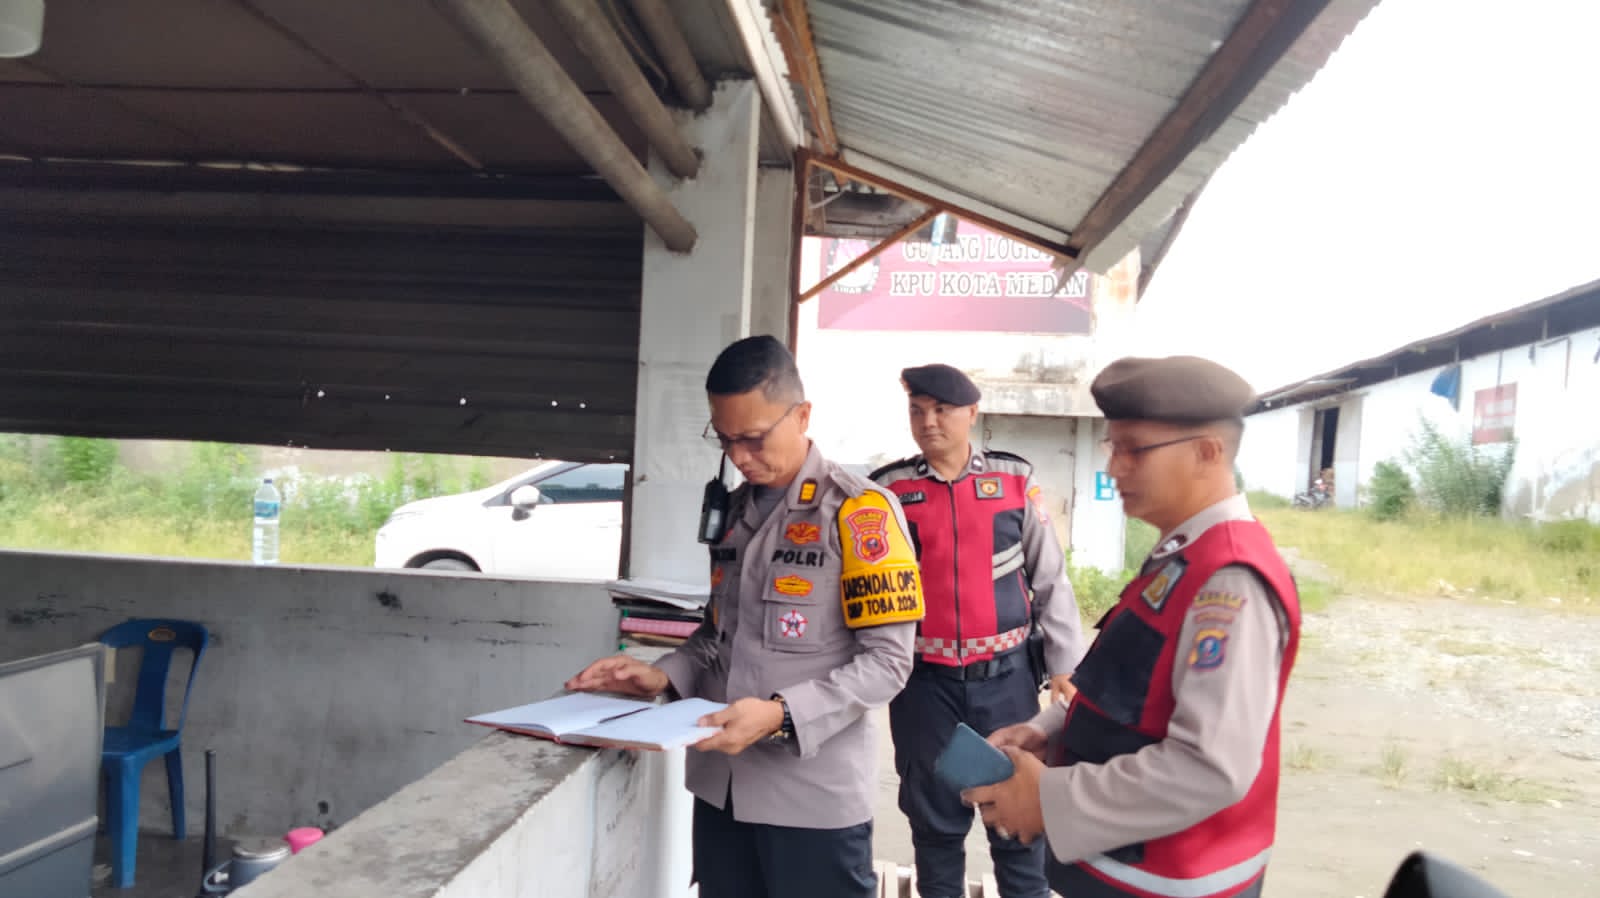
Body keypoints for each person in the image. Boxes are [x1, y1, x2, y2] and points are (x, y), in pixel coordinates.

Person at [565, 335, 923, 898]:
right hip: (722, 792)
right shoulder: (732, 514)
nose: (739, 457)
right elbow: (717, 635)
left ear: (802, 416)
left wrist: (782, 715)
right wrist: (662, 675)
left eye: (754, 439)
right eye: (725, 439)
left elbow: (888, 663)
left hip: (810, 801)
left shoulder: (859, 512)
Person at [963, 355, 1302, 898]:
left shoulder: (1230, 579)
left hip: (1172, 882)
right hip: (1120, 870)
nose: (1115, 468)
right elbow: (1131, 689)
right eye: (1112, 447)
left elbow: (1210, 767)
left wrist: (1049, 797)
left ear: (1207, 452)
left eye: (1134, 450)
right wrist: (1049, 731)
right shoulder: (1181, 555)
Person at [869, 363, 1086, 898]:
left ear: (972, 413)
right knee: (934, 830)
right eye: (918, 411)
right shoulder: (890, 490)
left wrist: (1065, 665)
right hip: (924, 686)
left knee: (1019, 828)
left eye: (942, 410)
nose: (929, 422)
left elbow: (1050, 577)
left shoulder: (1013, 481)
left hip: (1006, 682)